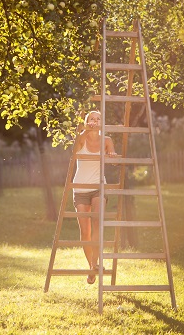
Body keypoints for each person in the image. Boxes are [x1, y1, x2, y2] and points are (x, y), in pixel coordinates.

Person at [72, 110, 117, 284]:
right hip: (80, 189)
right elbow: (74, 152)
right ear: (87, 122)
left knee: (97, 221)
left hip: (98, 187)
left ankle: (96, 263)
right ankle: (92, 266)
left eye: (98, 119)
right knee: (85, 231)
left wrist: (112, 155)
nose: (95, 121)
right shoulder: (82, 137)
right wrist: (83, 130)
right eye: (92, 119)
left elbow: (113, 159)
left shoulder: (107, 140)